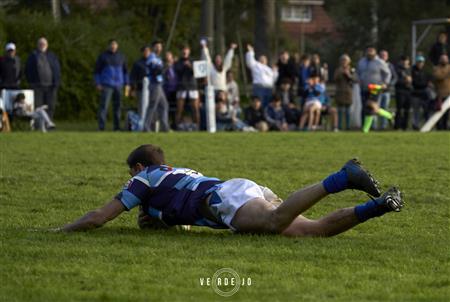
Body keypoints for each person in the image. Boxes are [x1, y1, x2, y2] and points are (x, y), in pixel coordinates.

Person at [57, 144, 404, 239]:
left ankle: (343, 178)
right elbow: (183, 220)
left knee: (274, 221)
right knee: (314, 231)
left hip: (225, 200)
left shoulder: (143, 179)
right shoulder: (173, 174)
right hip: (236, 192)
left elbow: (98, 218)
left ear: (137, 167)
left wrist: (60, 230)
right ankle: (382, 205)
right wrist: (158, 220)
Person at [94, 39, 129, 131]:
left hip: (118, 85)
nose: (113, 46)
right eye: (111, 44)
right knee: (104, 106)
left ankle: (116, 127)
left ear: (117, 46)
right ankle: (101, 127)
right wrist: (98, 83)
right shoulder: (103, 56)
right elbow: (97, 71)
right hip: (106, 84)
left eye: (115, 44)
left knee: (118, 107)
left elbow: (125, 71)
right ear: (109, 46)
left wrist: (127, 83)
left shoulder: (121, 56)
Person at [25, 37, 61, 119]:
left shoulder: (52, 56)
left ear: (47, 45)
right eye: (40, 44)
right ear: (37, 45)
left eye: (44, 44)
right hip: (37, 86)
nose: (42, 45)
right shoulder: (33, 56)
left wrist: (56, 82)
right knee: (38, 107)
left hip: (51, 86)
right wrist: (31, 82)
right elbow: (27, 70)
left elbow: (57, 70)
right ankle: (38, 125)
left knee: (51, 106)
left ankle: (49, 124)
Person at [357, 46, 391, 127]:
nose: (369, 54)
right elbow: (358, 72)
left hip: (375, 88)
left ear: (374, 53)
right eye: (368, 52)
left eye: (371, 52)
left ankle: (368, 127)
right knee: (367, 107)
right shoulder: (362, 62)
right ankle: (388, 115)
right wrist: (358, 79)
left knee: (370, 104)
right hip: (364, 87)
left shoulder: (379, 62)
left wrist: (385, 83)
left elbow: (388, 73)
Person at [144, 40, 170, 132]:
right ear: (153, 48)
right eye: (157, 46)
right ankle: (146, 126)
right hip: (154, 84)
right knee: (152, 106)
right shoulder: (152, 57)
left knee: (164, 105)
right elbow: (155, 70)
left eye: (160, 46)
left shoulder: (159, 58)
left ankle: (165, 127)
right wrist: (165, 66)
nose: (159, 48)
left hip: (159, 85)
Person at [174, 45, 199, 129]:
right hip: (182, 86)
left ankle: (197, 126)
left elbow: (198, 73)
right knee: (179, 108)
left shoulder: (193, 61)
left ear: (189, 51)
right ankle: (177, 126)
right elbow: (177, 72)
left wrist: (190, 66)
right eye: (183, 50)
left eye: (186, 50)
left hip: (192, 86)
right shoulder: (178, 62)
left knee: (195, 108)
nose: (185, 52)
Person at [334, 54, 357, 130]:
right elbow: (335, 79)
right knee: (340, 111)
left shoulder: (351, 69)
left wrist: (348, 75)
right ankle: (339, 126)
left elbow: (355, 80)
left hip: (348, 92)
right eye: (342, 60)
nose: (344, 62)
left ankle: (347, 126)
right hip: (340, 91)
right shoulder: (338, 70)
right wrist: (340, 72)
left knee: (348, 111)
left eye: (345, 61)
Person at [130, 45, 151, 124]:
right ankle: (141, 123)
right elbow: (133, 77)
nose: (147, 53)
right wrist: (133, 89)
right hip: (140, 89)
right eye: (145, 51)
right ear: (142, 52)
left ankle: (149, 123)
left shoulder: (153, 62)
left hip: (151, 89)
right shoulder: (138, 63)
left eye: (148, 51)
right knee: (141, 107)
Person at [378, 50, 398, 130]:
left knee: (384, 108)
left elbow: (395, 77)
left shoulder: (390, 66)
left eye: (385, 55)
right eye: (381, 55)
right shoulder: (376, 64)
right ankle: (374, 126)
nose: (383, 57)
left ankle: (383, 126)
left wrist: (389, 85)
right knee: (376, 108)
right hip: (377, 90)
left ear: (387, 57)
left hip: (386, 90)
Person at [411, 55, 432, 130]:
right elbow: (415, 83)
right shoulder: (412, 71)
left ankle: (427, 125)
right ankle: (415, 125)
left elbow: (429, 81)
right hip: (416, 94)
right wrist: (425, 84)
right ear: (416, 62)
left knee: (426, 110)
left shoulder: (425, 71)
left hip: (424, 95)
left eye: (422, 62)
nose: (420, 63)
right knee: (416, 111)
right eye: (419, 62)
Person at [394, 56, 413, 130]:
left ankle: (405, 126)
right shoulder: (397, 69)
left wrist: (410, 81)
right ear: (401, 61)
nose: (405, 62)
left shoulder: (410, 69)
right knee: (399, 109)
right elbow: (396, 80)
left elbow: (412, 80)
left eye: (407, 61)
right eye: (404, 61)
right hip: (400, 91)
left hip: (408, 91)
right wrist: (404, 81)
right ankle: (397, 126)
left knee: (407, 110)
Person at [432, 54, 450, 130]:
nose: (444, 61)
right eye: (442, 59)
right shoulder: (437, 68)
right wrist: (446, 73)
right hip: (440, 94)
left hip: (449, 94)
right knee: (439, 113)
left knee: (447, 114)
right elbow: (438, 76)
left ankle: (446, 128)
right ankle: (439, 128)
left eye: (445, 59)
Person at [163, 51, 178, 129]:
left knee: (175, 109)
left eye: (169, 56)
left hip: (175, 90)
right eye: (167, 57)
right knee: (166, 108)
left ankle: (174, 124)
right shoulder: (163, 66)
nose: (168, 58)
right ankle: (166, 124)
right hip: (166, 90)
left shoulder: (175, 66)